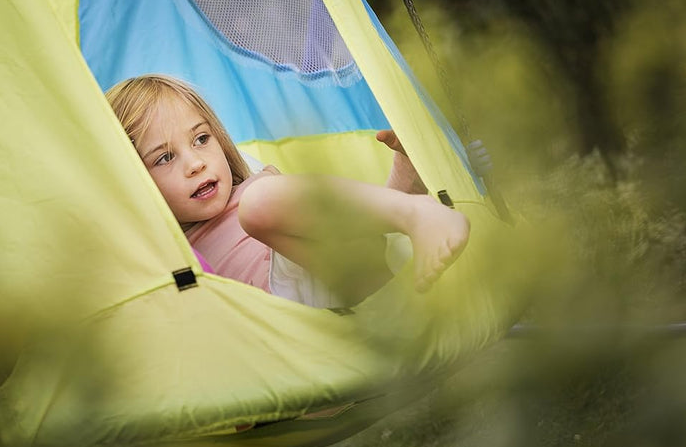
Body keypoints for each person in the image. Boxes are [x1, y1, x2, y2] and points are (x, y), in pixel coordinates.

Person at [106, 74, 469, 307]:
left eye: (202, 138)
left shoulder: (248, 180)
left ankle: (409, 205)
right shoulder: (168, 250)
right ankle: (406, 205)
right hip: (288, 300)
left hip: (337, 262)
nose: (195, 163)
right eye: (165, 158)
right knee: (261, 202)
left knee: (264, 197)